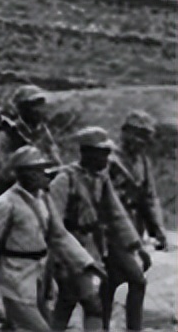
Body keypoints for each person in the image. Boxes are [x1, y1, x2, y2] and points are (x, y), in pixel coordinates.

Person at [0, 146, 103, 332]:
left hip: (37, 274)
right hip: (14, 276)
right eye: (36, 171)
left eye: (42, 170)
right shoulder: (6, 204)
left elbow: (59, 235)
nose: (42, 175)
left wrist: (86, 262)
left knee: (20, 325)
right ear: (23, 173)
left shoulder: (43, 199)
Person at [49, 127, 149, 332]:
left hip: (90, 246)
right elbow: (53, 222)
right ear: (87, 153)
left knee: (73, 300)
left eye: (107, 153)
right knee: (80, 301)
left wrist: (136, 246)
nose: (106, 158)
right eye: (101, 153)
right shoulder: (65, 179)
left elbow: (116, 213)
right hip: (68, 249)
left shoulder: (101, 179)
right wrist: (59, 258)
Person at [109, 111, 167, 253]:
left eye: (145, 136)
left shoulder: (142, 162)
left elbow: (149, 197)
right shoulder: (107, 158)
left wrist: (158, 229)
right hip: (110, 227)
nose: (141, 141)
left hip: (135, 226)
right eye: (137, 135)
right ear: (125, 133)